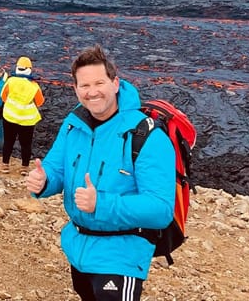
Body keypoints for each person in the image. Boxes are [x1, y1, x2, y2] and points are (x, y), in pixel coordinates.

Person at [25, 45, 175, 300]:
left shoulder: (146, 135)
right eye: (84, 85)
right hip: (80, 249)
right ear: (75, 89)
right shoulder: (74, 124)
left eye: (99, 83)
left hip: (122, 255)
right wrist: (44, 181)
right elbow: (56, 167)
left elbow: (161, 209)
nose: (92, 92)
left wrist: (100, 204)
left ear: (115, 83)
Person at [0, 56, 43, 173]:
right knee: (26, 144)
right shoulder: (34, 86)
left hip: (10, 116)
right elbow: (40, 102)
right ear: (29, 69)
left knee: (8, 141)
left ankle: (5, 165)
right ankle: (24, 167)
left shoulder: (10, 81)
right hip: (27, 120)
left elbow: (3, 97)